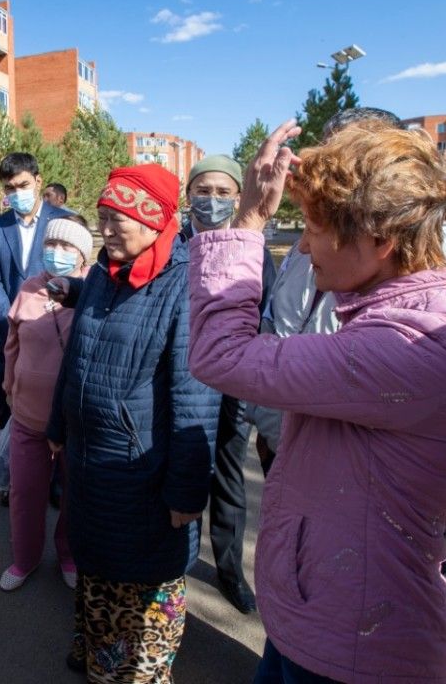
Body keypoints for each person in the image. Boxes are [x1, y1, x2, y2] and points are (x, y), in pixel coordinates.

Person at [187, 119, 446, 684]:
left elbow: (219, 355)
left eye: (312, 229)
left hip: (356, 652)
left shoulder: (410, 344)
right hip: (326, 624)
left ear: (380, 240)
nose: (303, 247)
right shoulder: (403, 319)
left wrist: (251, 220)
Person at [255, 108, 446, 514]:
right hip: (293, 454)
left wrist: (440, 499)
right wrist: (270, 427)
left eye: (357, 151)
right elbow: (278, 326)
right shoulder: (306, 245)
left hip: (383, 494)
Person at [48, 164, 220, 683]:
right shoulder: (103, 272)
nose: (104, 231)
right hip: (90, 461)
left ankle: (135, 673)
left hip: (143, 476)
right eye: (101, 217)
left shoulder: (186, 284)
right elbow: (76, 353)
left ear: (151, 222)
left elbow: (195, 401)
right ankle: (94, 653)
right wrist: (59, 423)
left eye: (113, 220)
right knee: (99, 571)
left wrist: (186, 495)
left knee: (140, 590)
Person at [182, 154, 276, 615]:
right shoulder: (173, 245)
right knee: (179, 470)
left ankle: (229, 571)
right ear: (188, 196)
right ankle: (176, 561)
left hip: (234, 383)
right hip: (182, 381)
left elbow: (266, 316)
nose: (212, 201)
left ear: (239, 198)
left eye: (223, 193)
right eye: (203, 190)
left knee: (227, 475)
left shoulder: (252, 246)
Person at [0, 215, 94, 593]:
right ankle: (24, 559)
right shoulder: (29, 288)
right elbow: (12, 344)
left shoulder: (93, 291)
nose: (56, 253)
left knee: (74, 495)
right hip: (27, 414)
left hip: (75, 420)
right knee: (25, 493)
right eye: (51, 245)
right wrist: (9, 386)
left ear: (83, 254)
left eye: (67, 246)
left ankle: (68, 555)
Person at [0, 153, 71, 432]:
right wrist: (8, 316)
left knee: (54, 407)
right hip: (9, 332)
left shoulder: (63, 220)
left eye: (23, 185)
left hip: (54, 330)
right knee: (10, 401)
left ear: (37, 180)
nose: (17, 193)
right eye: (10, 188)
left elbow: (76, 272)